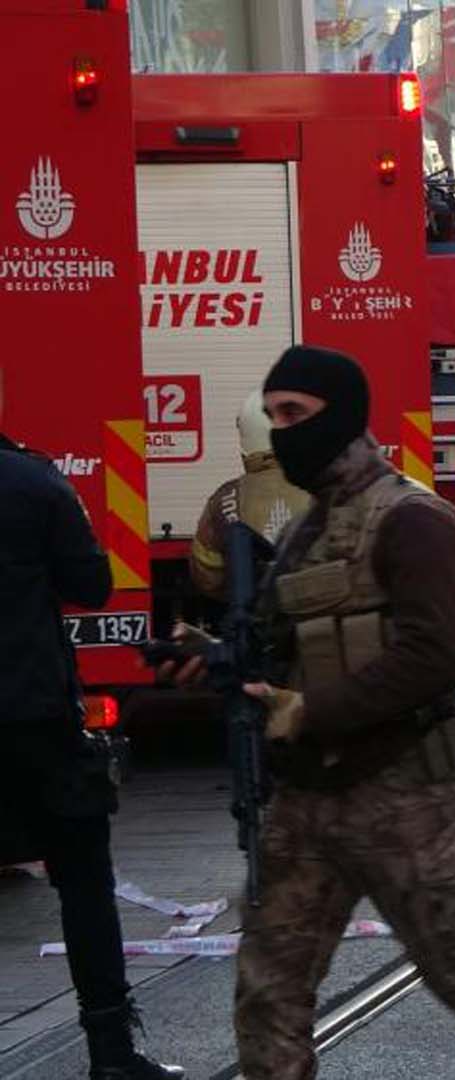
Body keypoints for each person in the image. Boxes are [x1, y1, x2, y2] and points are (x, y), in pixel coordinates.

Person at [168, 345, 455, 1079]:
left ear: (341, 416)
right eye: (271, 417)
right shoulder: (306, 532)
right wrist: (213, 661)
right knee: (269, 993)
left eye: (294, 414)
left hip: (403, 795)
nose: (280, 432)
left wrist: (308, 709)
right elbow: (286, 648)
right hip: (306, 803)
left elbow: (434, 658)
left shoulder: (412, 518)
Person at [0, 373, 183, 1079]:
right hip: (33, 716)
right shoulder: (34, 481)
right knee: (82, 881)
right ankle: (111, 1050)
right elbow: (92, 584)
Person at [188, 389, 311, 599]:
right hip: (320, 618)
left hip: (258, 621)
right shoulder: (328, 486)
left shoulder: (225, 498)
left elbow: (207, 576)